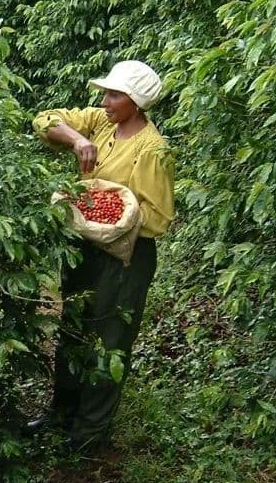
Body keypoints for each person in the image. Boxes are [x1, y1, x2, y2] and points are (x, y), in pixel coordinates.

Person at [32, 60, 174, 449]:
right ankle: (60, 417)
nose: (106, 101)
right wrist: (78, 140)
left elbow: (158, 217)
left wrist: (111, 211)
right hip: (85, 247)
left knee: (108, 339)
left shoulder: (152, 149)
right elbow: (44, 119)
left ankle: (88, 436)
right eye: (107, 94)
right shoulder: (100, 124)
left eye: (115, 95)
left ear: (136, 102)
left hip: (124, 258)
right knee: (73, 330)